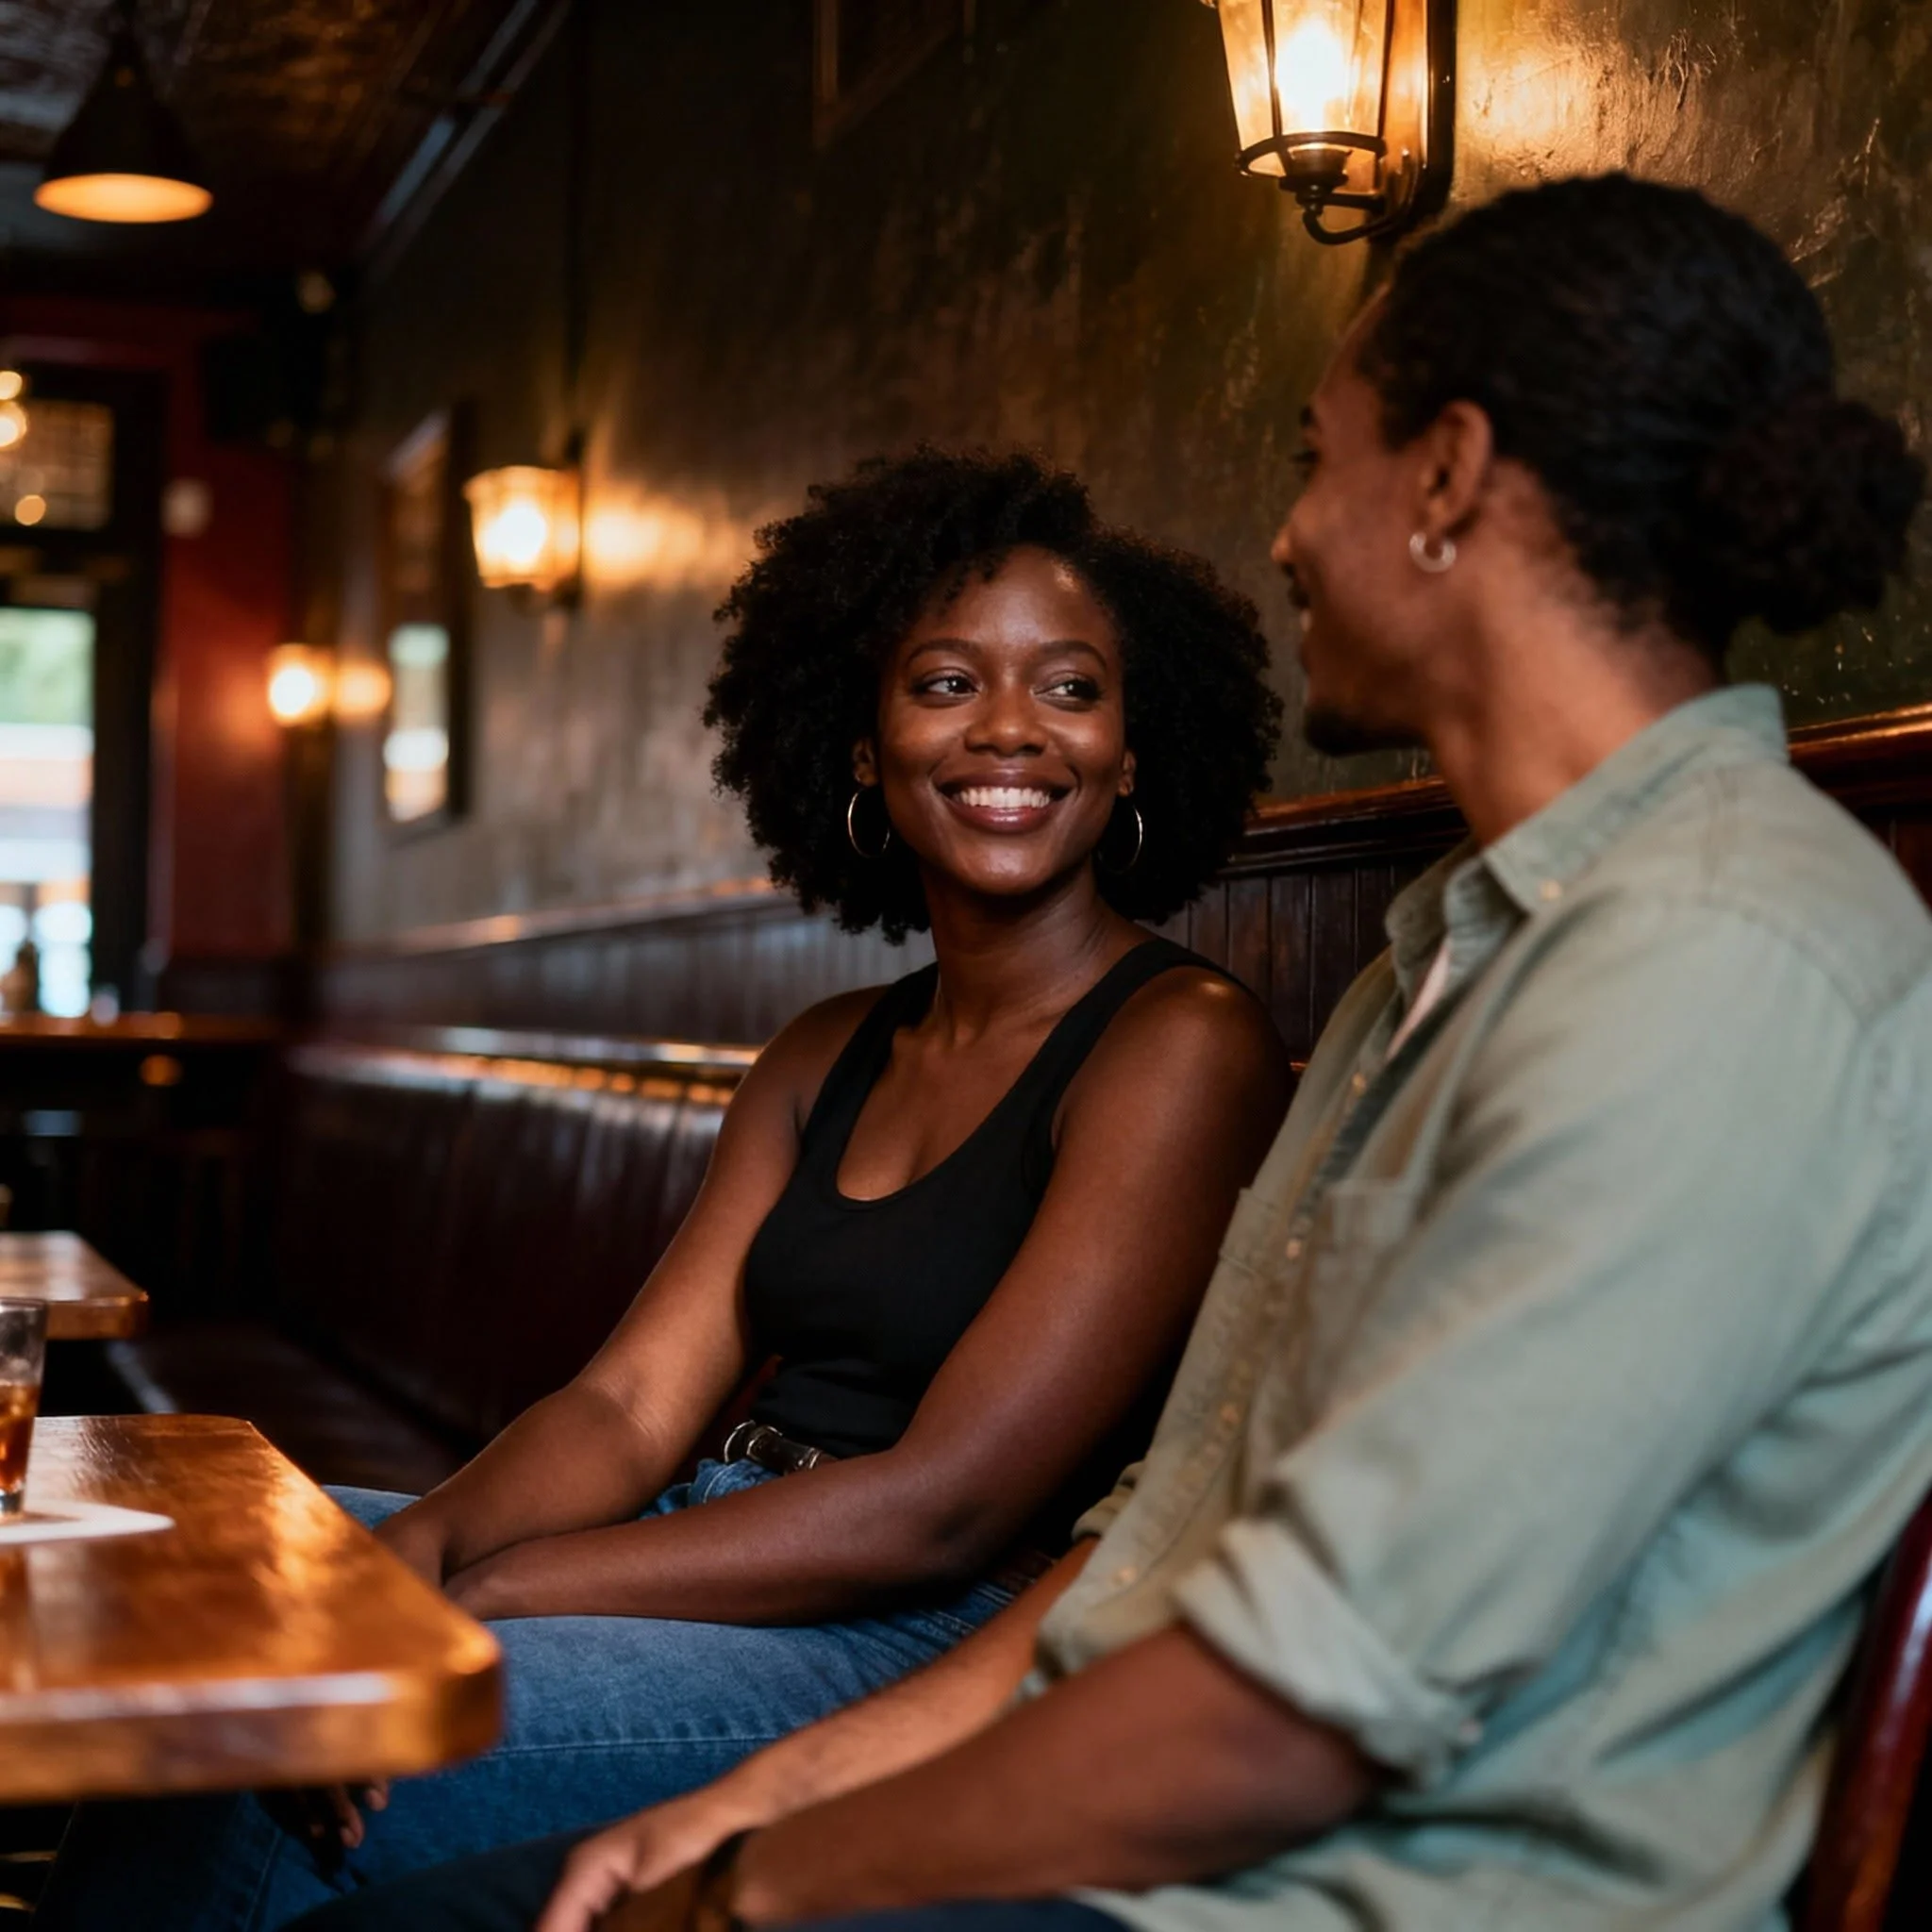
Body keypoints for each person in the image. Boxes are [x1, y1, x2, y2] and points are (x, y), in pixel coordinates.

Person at [288, 173, 1932, 1932]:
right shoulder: (1432, 966)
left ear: (1444, 478)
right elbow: (1150, 1549)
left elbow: (1287, 1712)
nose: (1287, 537)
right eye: (944, 685)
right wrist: (773, 1793)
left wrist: (754, 1875)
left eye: (1315, 460)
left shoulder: (1711, 955)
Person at [36, 450, 1291, 1931]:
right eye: (947, 683)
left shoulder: (1179, 1045)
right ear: (861, 745)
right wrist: (431, 1541)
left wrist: (496, 1592)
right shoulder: (824, 1051)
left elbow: (943, 1510)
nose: (1010, 727)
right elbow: (630, 1408)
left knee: (265, 1749)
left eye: (1071, 689)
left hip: (915, 1638)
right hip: (716, 1535)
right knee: (206, 1605)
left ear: (1135, 752)